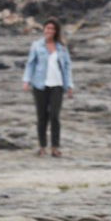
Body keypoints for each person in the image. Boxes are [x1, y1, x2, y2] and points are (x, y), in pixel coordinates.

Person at [22, 18, 74, 157]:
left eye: (52, 29)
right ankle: (42, 146)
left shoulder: (62, 46)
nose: (49, 31)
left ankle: (55, 147)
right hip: (40, 85)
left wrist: (69, 85)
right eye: (47, 28)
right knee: (42, 116)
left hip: (57, 84)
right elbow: (30, 64)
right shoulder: (37, 45)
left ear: (56, 31)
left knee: (55, 116)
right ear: (43, 29)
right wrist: (26, 80)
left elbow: (67, 66)